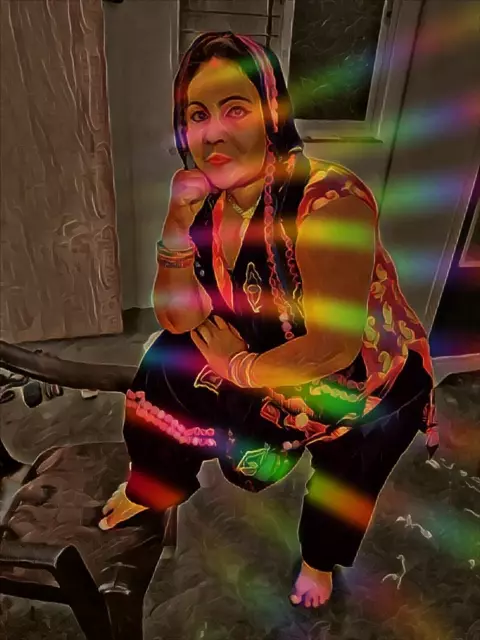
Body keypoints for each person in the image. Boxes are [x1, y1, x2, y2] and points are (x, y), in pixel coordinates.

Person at [98, 32, 439, 608]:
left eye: (235, 108)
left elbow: (332, 346)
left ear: (272, 113)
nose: (213, 132)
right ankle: (156, 484)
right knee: (167, 359)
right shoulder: (209, 202)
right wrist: (176, 221)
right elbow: (178, 319)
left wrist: (238, 367)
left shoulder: (330, 202)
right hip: (267, 354)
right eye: (197, 115)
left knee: (345, 479)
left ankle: (319, 560)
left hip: (362, 384)